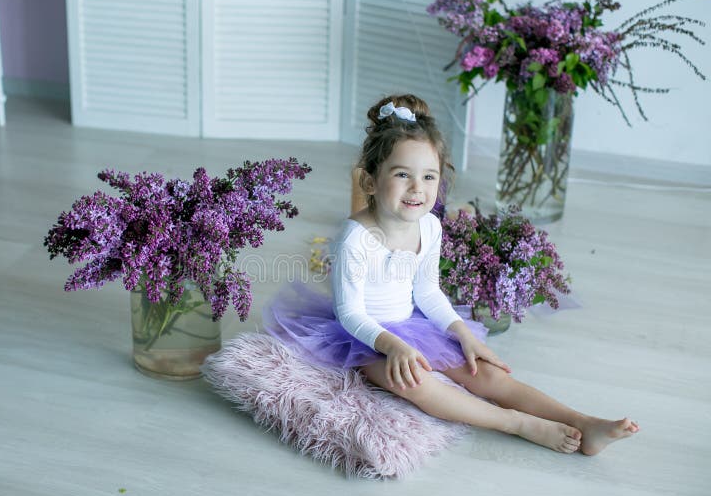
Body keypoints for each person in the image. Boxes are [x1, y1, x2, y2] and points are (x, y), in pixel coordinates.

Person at [264, 94, 638, 455]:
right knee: (417, 384)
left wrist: (461, 332)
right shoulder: (355, 238)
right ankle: (515, 423)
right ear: (370, 182)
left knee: (488, 375)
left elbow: (427, 293)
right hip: (365, 339)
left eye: (429, 177)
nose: (417, 188)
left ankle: (582, 422)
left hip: (411, 323)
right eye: (402, 175)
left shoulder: (429, 227)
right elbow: (351, 314)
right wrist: (393, 346)